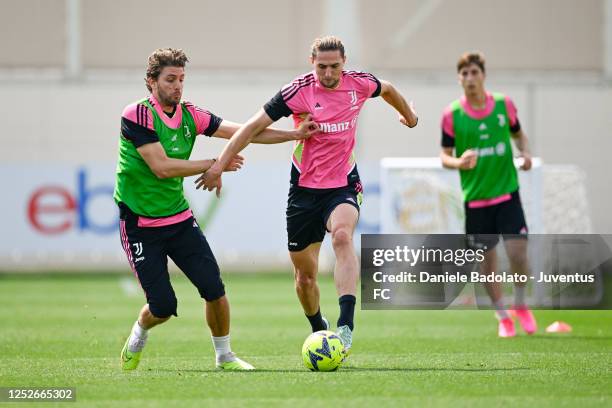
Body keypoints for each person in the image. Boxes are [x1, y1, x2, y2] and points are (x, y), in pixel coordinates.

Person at [195, 36, 418, 355]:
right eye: (321, 67)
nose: (328, 74)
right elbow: (251, 127)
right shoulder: (297, 91)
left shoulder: (359, 84)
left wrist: (410, 118)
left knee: (342, 237)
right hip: (303, 192)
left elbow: (389, 89)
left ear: (345, 62)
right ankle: (318, 327)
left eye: (335, 67)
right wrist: (219, 163)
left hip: (343, 184)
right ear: (311, 62)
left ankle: (345, 326)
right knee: (304, 278)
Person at [115, 48, 318, 371]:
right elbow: (161, 168)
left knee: (214, 288)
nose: (178, 86)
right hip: (141, 224)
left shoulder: (190, 114)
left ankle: (224, 356)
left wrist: (294, 134)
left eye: (181, 79)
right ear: (151, 82)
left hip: (179, 219)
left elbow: (244, 132)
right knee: (163, 307)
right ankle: (140, 331)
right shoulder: (136, 115)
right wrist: (213, 164)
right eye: (170, 79)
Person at [439, 51, 537, 337]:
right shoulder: (451, 115)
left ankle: (520, 304)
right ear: (459, 79)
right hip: (476, 201)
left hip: (507, 194)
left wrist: (526, 153)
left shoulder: (504, 105)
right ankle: (503, 316)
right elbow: (444, 156)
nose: (469, 78)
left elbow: (519, 134)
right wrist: (459, 161)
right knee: (487, 263)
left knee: (518, 252)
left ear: (483, 75)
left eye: (474, 72)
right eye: (464, 74)